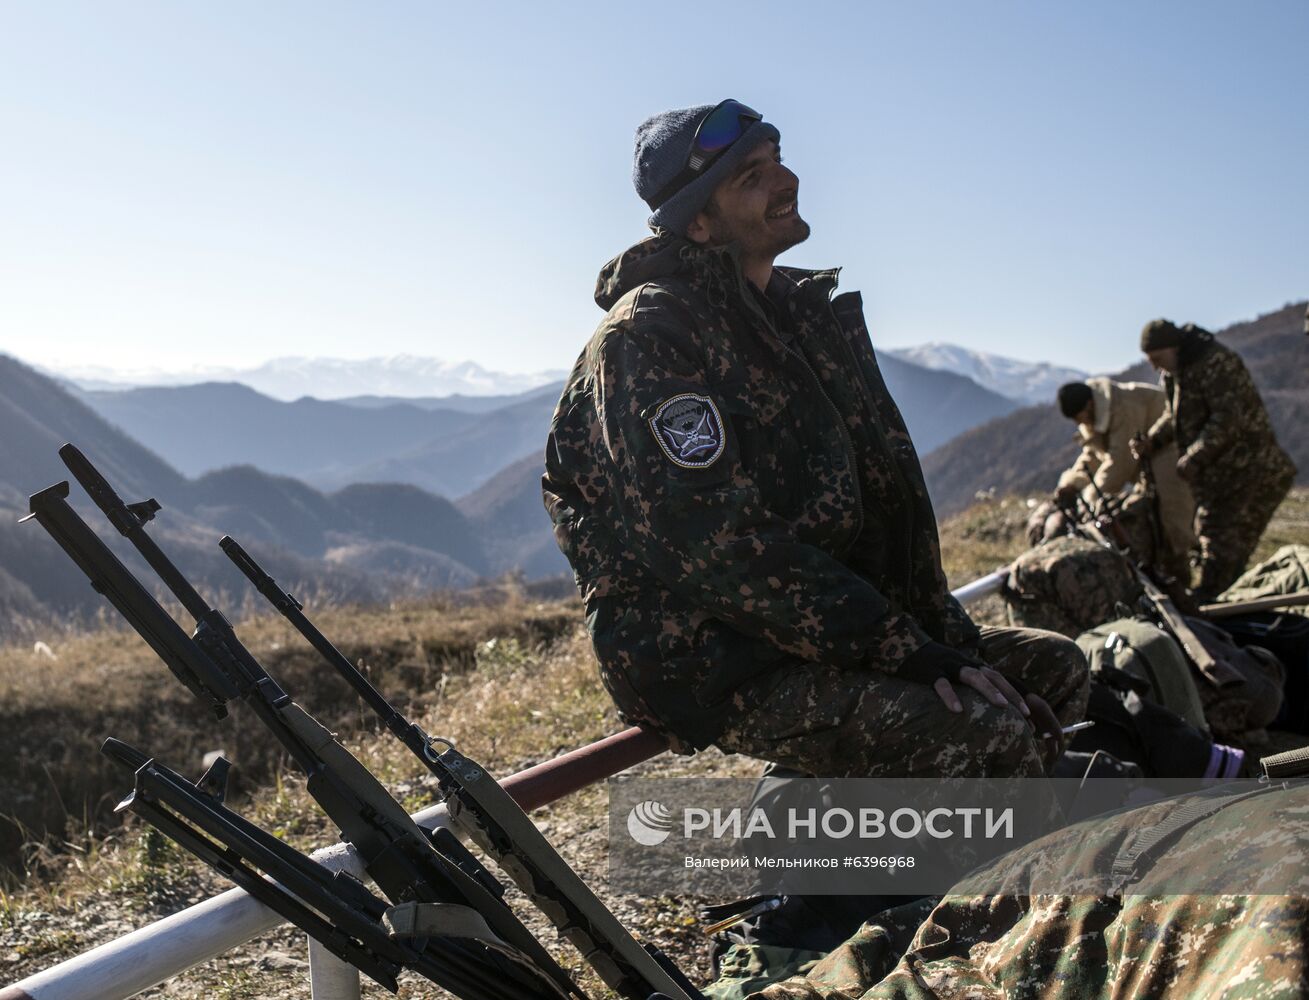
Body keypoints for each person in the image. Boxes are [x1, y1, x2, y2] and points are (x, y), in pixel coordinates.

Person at [542, 100, 1088, 780]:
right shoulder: (652, 335)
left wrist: (938, 639)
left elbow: (880, 500)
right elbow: (713, 543)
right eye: (751, 177)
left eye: (776, 160)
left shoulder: (793, 313)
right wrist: (900, 650)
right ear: (700, 222)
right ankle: (910, 874)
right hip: (723, 659)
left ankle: (872, 827)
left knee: (1048, 672)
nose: (787, 181)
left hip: (825, 631)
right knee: (984, 733)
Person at [1132, 318, 1296, 601]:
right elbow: (1176, 416)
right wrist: (1153, 440)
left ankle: (1215, 604)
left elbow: (1228, 418)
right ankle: (1221, 601)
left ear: (1173, 347)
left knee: (1220, 539)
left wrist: (1195, 456)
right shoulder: (1175, 373)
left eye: (1157, 358)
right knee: (1220, 541)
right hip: (1221, 479)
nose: (1155, 367)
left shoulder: (1216, 363)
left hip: (1251, 471)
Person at [1051, 378, 1195, 581]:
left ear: (1089, 405)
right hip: (1148, 454)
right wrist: (1071, 484)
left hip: (1169, 447)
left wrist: (1091, 498)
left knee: (1169, 510)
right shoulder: (1100, 412)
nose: (1079, 423)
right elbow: (1093, 456)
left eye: (1078, 417)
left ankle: (1183, 565)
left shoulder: (1124, 406)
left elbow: (1121, 461)